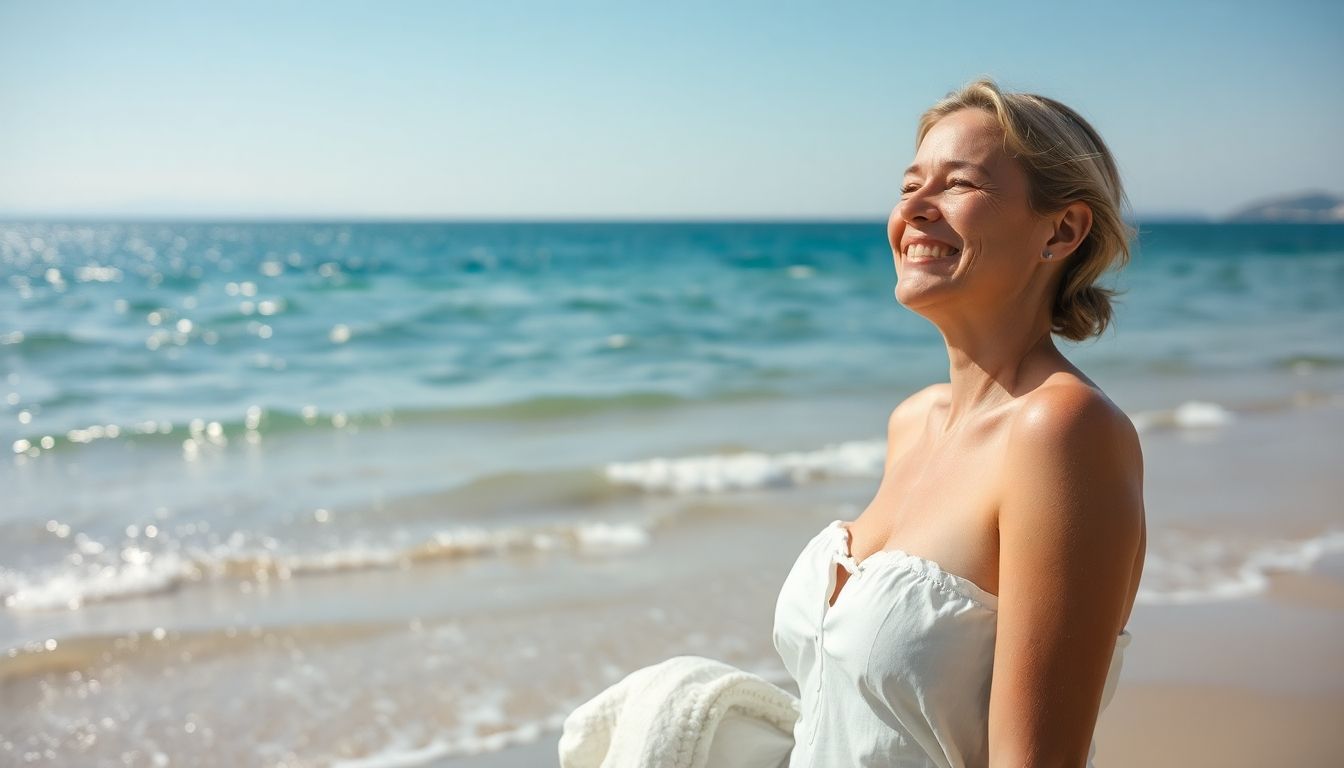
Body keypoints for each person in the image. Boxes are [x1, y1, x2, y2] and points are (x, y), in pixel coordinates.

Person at [771, 78, 1146, 767]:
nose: (913, 208)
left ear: (1061, 230)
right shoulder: (912, 422)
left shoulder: (1064, 431)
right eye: (910, 184)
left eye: (957, 186)